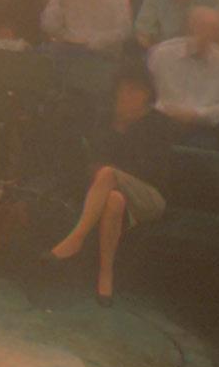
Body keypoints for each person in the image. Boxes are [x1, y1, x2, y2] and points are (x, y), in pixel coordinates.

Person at [50, 62, 175, 302]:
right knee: (114, 201)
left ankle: (76, 238)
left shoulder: (159, 123)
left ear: (147, 94)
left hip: (150, 196)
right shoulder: (107, 119)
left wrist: (118, 162)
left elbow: (152, 171)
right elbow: (94, 158)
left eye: (135, 90)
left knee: (108, 174)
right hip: (113, 191)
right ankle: (105, 278)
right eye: (123, 89)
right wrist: (118, 127)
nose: (127, 95)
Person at [147, 0, 219, 134]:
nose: (206, 33)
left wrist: (197, 114)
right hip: (161, 124)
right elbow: (145, 92)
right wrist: (165, 111)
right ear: (189, 27)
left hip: (204, 129)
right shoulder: (161, 54)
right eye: (201, 26)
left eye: (213, 29)